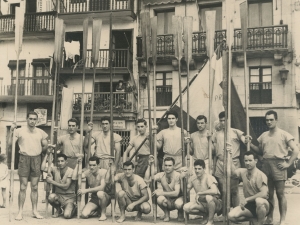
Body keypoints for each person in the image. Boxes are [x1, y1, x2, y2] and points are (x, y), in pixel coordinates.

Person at [250, 110, 299, 225]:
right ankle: (270, 218)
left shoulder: (284, 134)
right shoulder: (263, 135)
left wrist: (288, 164)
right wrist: (250, 144)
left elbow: (296, 150)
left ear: (276, 120)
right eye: (267, 120)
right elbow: (259, 151)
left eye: (271, 119)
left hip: (279, 165)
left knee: (280, 194)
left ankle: (282, 220)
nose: (269, 122)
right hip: (266, 165)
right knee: (269, 194)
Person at [8, 111, 48, 220]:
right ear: (27, 119)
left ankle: (35, 211)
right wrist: (11, 131)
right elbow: (10, 144)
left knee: (35, 187)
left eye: (34, 119)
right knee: (23, 186)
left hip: (36, 159)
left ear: (37, 120)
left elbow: (45, 146)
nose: (32, 121)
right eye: (30, 119)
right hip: (24, 159)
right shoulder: (19, 131)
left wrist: (42, 155)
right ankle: (20, 212)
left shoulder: (41, 132)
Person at [212, 111, 250, 208]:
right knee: (224, 190)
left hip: (233, 162)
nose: (223, 123)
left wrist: (247, 139)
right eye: (221, 121)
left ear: (228, 120)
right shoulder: (216, 134)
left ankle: (236, 213)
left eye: (225, 120)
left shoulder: (235, 132)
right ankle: (226, 214)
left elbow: (244, 140)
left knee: (234, 190)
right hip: (220, 163)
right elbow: (213, 150)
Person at [228, 151, 270, 225]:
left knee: (259, 200)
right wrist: (229, 156)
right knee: (231, 216)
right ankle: (253, 219)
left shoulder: (260, 175)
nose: (247, 163)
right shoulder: (243, 172)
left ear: (256, 161)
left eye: (250, 160)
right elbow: (233, 173)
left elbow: (264, 193)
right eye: (246, 160)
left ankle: (260, 223)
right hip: (249, 205)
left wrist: (247, 199)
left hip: (263, 205)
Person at [182, 159, 222, 225]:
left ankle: (210, 221)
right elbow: (185, 191)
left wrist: (200, 193)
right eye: (195, 169)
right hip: (202, 203)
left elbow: (214, 191)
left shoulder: (209, 177)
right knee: (186, 207)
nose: (197, 171)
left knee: (208, 197)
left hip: (215, 203)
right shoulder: (193, 178)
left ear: (204, 169)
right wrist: (183, 178)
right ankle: (206, 215)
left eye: (199, 169)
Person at [72, 156, 112, 221]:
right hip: (95, 199)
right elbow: (74, 177)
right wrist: (78, 164)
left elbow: (101, 188)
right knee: (84, 215)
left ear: (98, 165)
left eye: (94, 165)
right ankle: (97, 211)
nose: (91, 167)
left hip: (105, 197)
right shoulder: (88, 172)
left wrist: (86, 190)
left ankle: (103, 214)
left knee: (100, 193)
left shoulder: (103, 172)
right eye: (90, 165)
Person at [145, 156, 184, 222]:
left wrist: (161, 193)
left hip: (178, 199)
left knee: (178, 204)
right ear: (163, 166)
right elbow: (147, 180)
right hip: (168, 200)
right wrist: (149, 165)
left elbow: (176, 193)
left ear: (173, 166)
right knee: (159, 199)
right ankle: (166, 213)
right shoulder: (161, 175)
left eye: (169, 165)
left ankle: (180, 213)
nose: (167, 167)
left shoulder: (177, 175)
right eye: (165, 165)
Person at [41, 153, 76, 219]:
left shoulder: (71, 171)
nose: (60, 163)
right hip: (59, 196)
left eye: (62, 161)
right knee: (51, 197)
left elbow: (66, 186)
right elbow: (42, 168)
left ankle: (73, 208)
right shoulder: (55, 169)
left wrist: (52, 182)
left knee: (67, 215)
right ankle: (58, 209)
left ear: (66, 162)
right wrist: (47, 155)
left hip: (69, 198)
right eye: (58, 161)